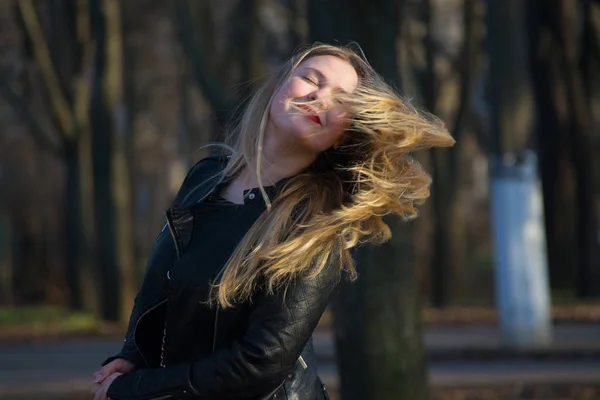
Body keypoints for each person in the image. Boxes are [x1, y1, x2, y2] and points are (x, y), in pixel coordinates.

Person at [90, 42, 454, 400]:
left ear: (342, 136)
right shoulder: (205, 176)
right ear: (279, 85)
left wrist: (139, 389)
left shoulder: (316, 225)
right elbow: (160, 280)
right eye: (312, 79)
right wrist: (134, 356)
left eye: (343, 101)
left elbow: (260, 363)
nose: (321, 98)